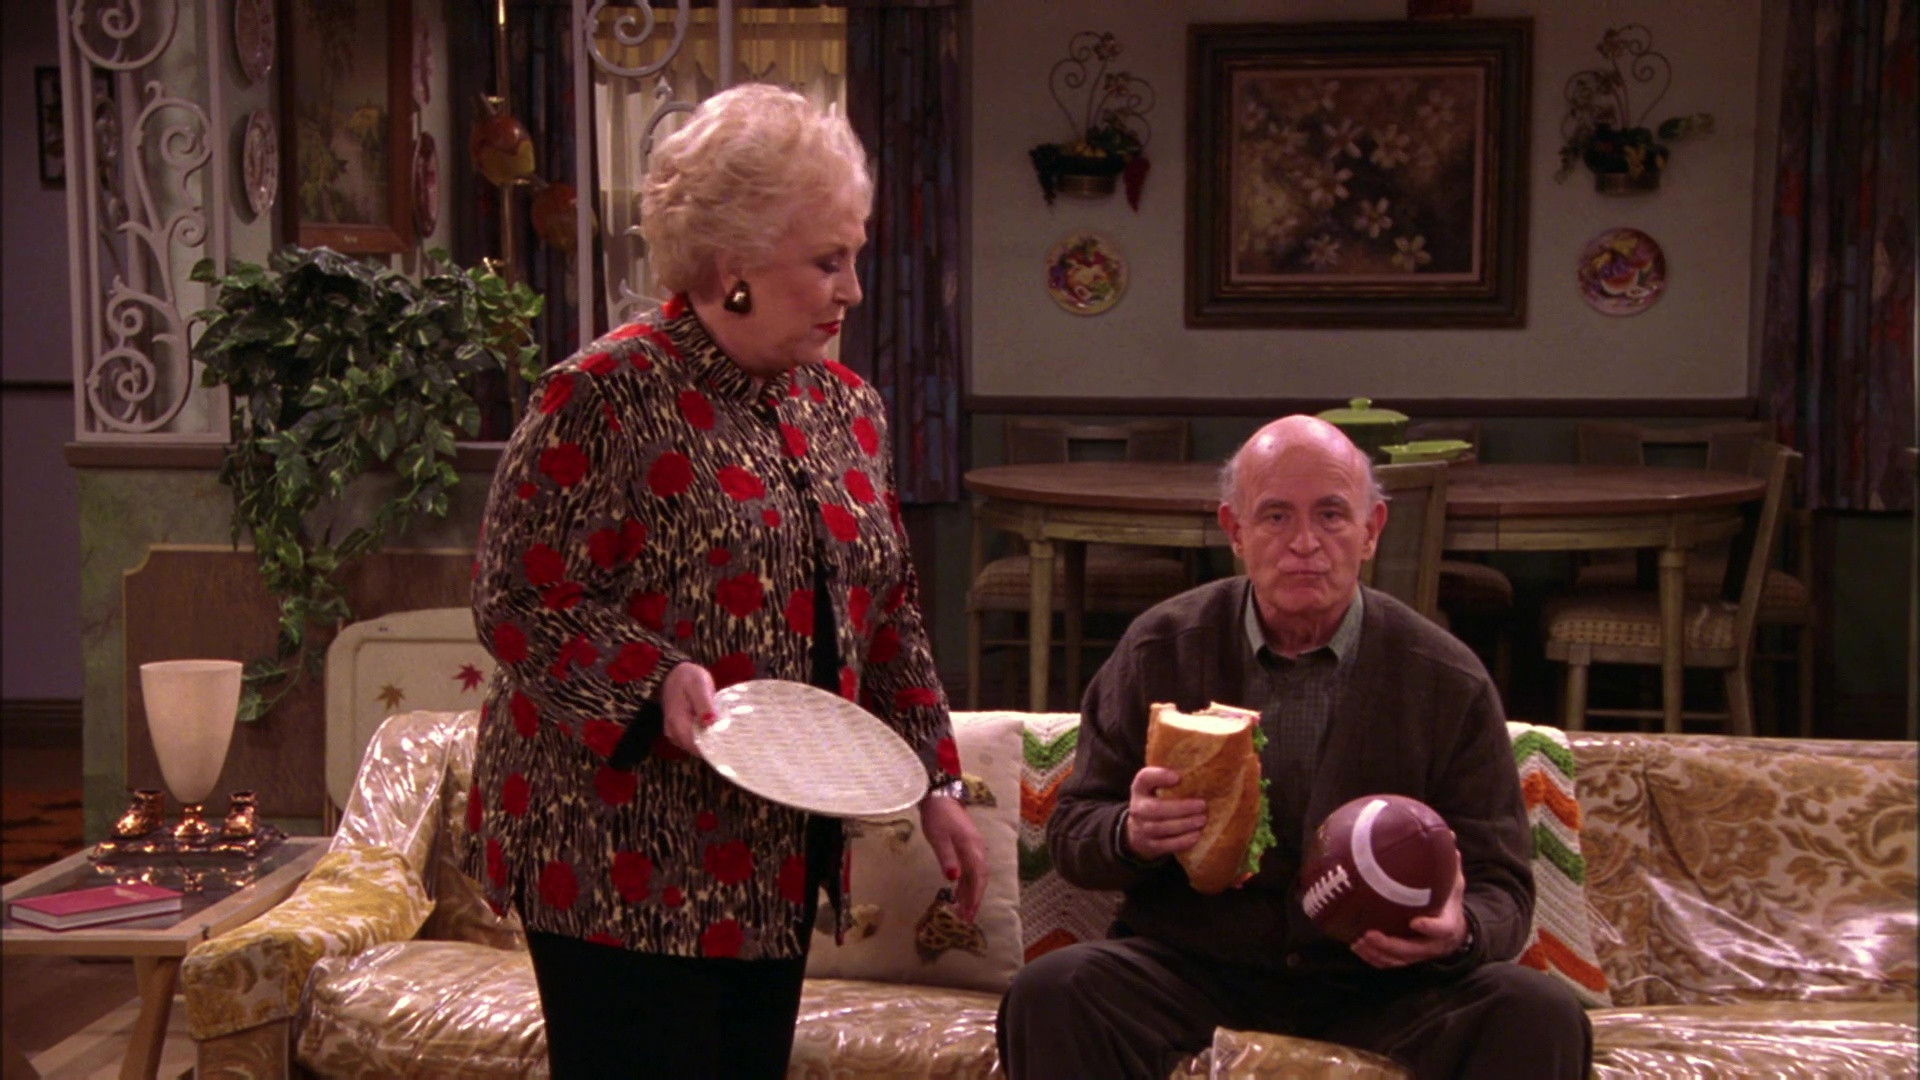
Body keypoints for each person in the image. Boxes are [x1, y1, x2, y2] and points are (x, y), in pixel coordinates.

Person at [462, 82, 987, 1079]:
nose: (853, 290)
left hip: (774, 859)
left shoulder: (850, 409)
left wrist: (937, 783)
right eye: (827, 261)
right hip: (615, 853)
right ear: (735, 263)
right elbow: (517, 599)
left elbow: (890, 617)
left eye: (856, 257)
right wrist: (651, 675)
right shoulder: (604, 394)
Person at [996, 415, 1590, 1080]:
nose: (1305, 543)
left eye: (1331, 515)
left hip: (1383, 985)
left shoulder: (1446, 678)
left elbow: (1503, 887)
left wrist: (1461, 931)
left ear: (1372, 530)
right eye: (1275, 516)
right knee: (1052, 993)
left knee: (1539, 1012)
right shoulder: (1160, 647)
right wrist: (1129, 833)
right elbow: (1074, 833)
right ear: (1235, 531)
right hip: (1194, 971)